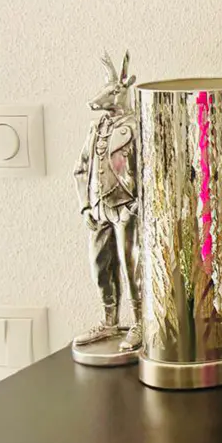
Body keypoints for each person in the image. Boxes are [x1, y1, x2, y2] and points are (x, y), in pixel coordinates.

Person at [72, 52, 142, 356]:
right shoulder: (96, 129)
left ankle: (140, 321)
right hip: (99, 209)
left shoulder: (137, 126)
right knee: (100, 265)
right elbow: (80, 167)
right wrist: (85, 205)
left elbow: (148, 171)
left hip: (125, 209)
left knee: (132, 267)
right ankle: (110, 318)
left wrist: (135, 207)